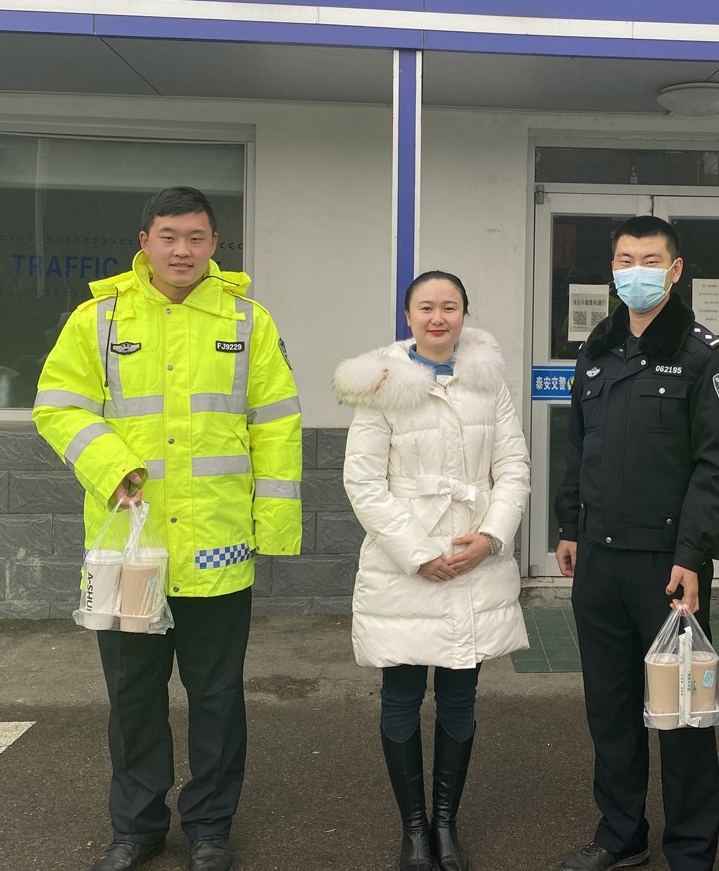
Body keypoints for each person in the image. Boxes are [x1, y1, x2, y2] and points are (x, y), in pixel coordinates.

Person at [34, 186, 302, 871]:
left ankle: (210, 828)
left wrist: (273, 526)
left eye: (196, 237)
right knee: (132, 698)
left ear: (215, 244)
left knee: (217, 697)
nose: (182, 250)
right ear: (145, 241)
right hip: (130, 549)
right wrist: (113, 464)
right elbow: (58, 406)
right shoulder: (100, 318)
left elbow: (276, 424)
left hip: (218, 548)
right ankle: (137, 828)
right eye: (169, 236)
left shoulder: (247, 321)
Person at [554, 216, 719, 871]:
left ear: (675, 270)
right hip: (598, 561)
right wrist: (568, 525)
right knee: (610, 709)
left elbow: (718, 466)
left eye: (651, 260)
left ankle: (690, 849)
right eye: (625, 259)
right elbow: (578, 444)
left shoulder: (702, 355)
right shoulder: (597, 347)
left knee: (682, 713)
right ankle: (621, 833)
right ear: (612, 269)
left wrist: (692, 553)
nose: (636, 271)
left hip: (669, 570)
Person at [333, 271, 530, 871]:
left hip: (474, 561)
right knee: (400, 695)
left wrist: (491, 537)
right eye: (426, 307)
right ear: (408, 315)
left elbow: (513, 467)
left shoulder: (487, 381)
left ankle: (446, 824)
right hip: (404, 567)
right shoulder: (382, 384)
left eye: (450, 307)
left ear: (465, 313)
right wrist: (418, 554)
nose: (438, 318)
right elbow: (363, 481)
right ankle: (414, 829)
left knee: (459, 697)